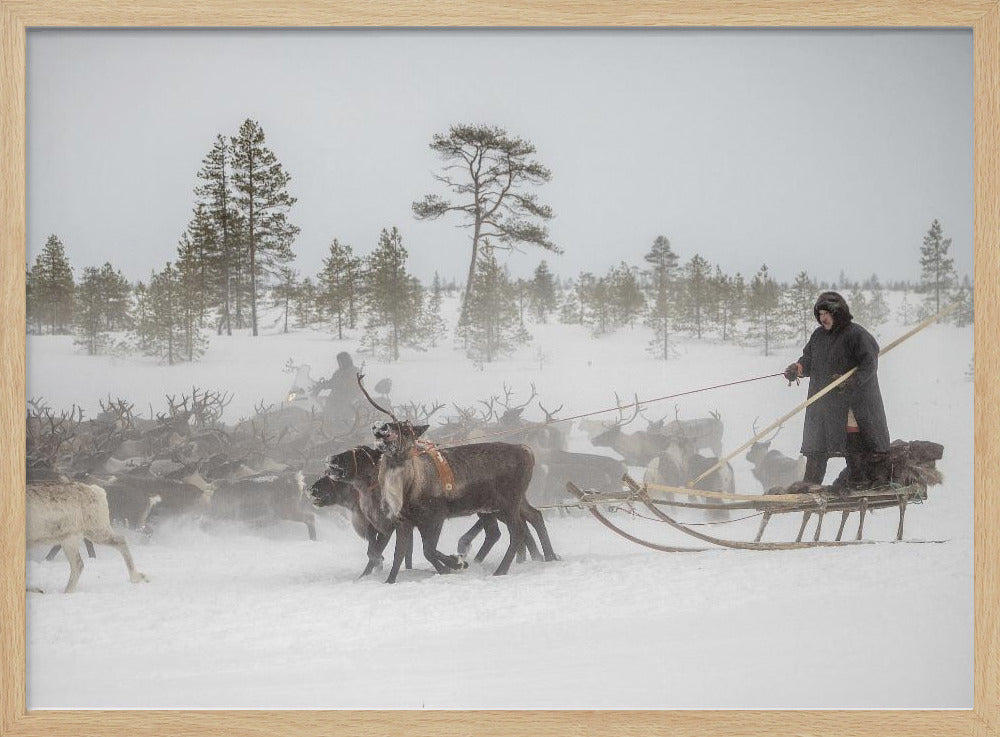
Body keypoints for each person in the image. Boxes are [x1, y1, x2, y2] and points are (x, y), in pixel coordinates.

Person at [782, 292, 891, 489]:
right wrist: (796, 369)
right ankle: (809, 485)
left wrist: (851, 381)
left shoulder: (856, 334)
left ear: (838, 313)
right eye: (820, 314)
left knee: (852, 442)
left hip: (850, 403)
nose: (822, 318)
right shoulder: (818, 336)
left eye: (826, 313)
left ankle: (858, 481)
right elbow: (808, 360)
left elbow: (869, 364)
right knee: (817, 443)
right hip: (823, 403)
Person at [318, 351, 362, 428]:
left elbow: (349, 383)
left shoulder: (354, 371)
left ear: (346, 361)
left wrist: (335, 384)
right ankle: (328, 423)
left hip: (350, 395)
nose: (339, 363)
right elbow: (333, 381)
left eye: (341, 361)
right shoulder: (339, 372)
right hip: (339, 395)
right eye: (338, 361)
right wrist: (322, 384)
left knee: (334, 404)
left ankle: (339, 425)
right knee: (326, 402)